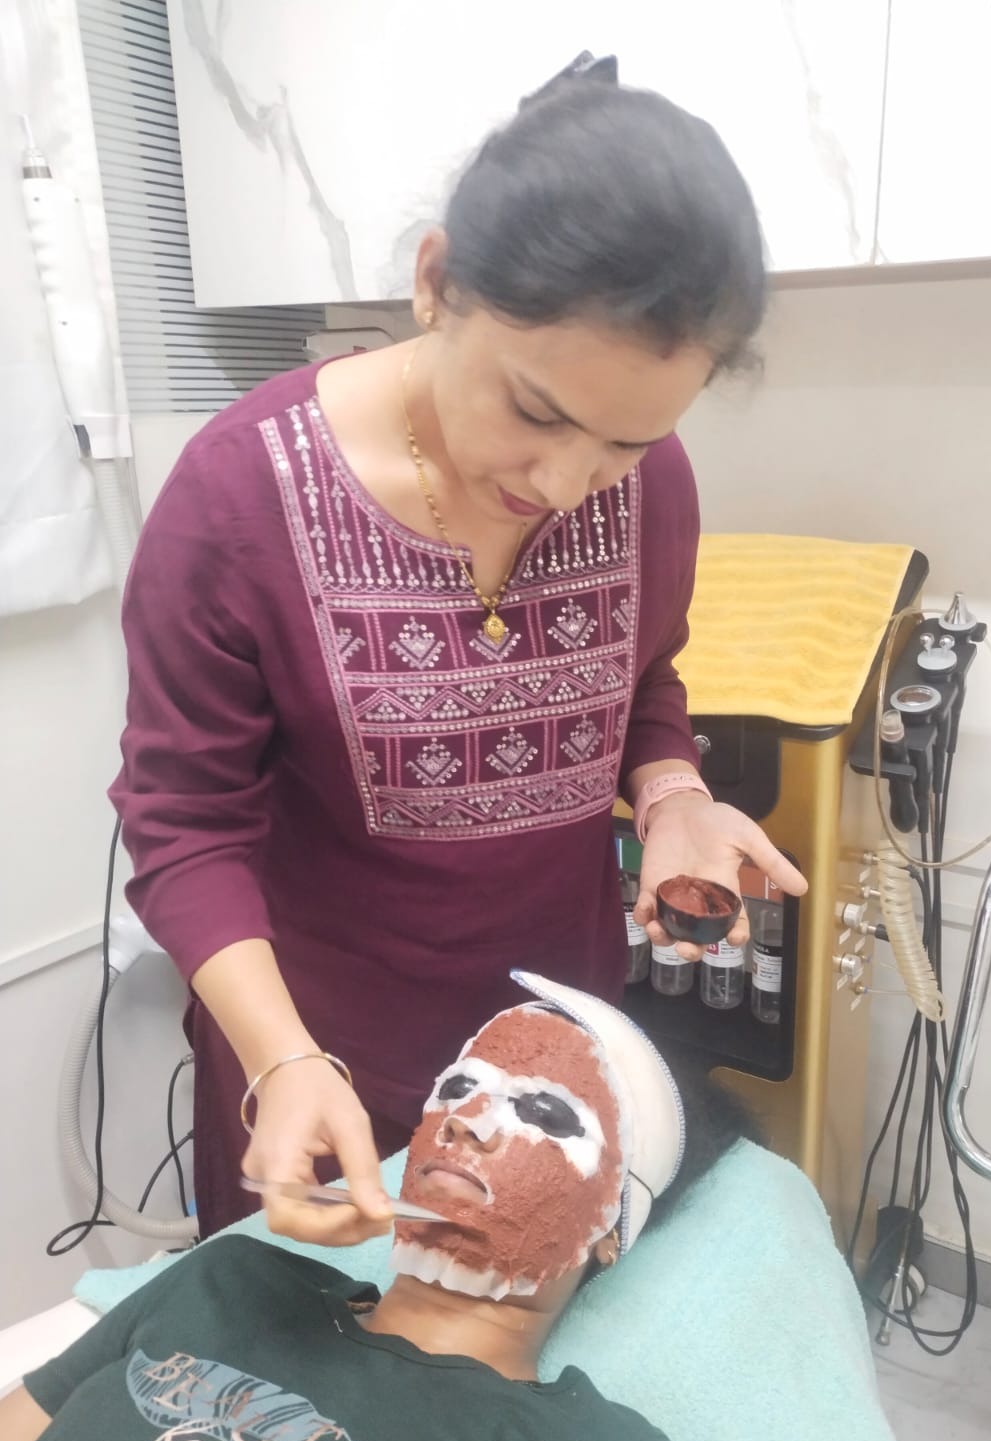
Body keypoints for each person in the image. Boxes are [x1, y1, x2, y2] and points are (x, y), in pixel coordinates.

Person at [109, 53, 806, 1244]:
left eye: (626, 442)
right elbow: (184, 826)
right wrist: (282, 1060)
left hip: (553, 1060)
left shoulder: (654, 491)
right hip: (320, 1063)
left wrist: (674, 794)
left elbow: (642, 679)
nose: (567, 481)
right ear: (435, 283)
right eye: (535, 411)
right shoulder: (239, 496)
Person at [0, 974, 760, 1441]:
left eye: (542, 1112)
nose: (465, 1120)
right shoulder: (226, 1279)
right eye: (459, 1086)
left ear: (610, 1229)